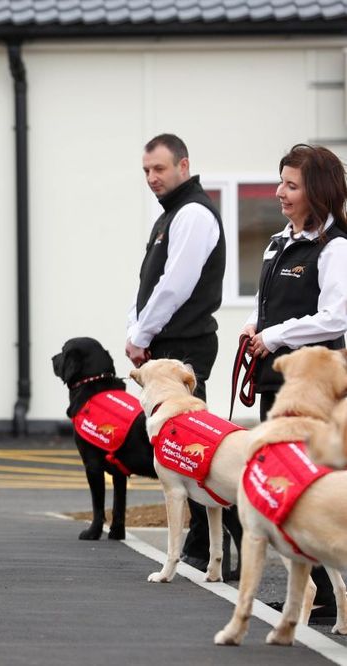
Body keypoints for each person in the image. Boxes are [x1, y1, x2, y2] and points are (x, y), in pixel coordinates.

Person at [125, 133, 238, 573]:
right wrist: (136, 331)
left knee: (198, 451)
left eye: (160, 169)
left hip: (185, 347)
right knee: (183, 450)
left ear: (183, 166)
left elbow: (176, 284)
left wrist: (142, 334)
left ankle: (227, 547)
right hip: (164, 345)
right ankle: (199, 550)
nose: (152, 178)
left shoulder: (193, 214)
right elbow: (148, 284)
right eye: (146, 171)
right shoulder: (169, 217)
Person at [244, 143, 347, 623]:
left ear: (318, 191)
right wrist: (253, 324)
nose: (280, 193)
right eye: (280, 182)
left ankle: (330, 592)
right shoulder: (279, 241)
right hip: (276, 380)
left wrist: (275, 334)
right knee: (293, 482)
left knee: (316, 482)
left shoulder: (336, 247)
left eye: (291, 185)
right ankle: (318, 592)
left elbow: (336, 317)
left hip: (315, 386)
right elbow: (269, 301)